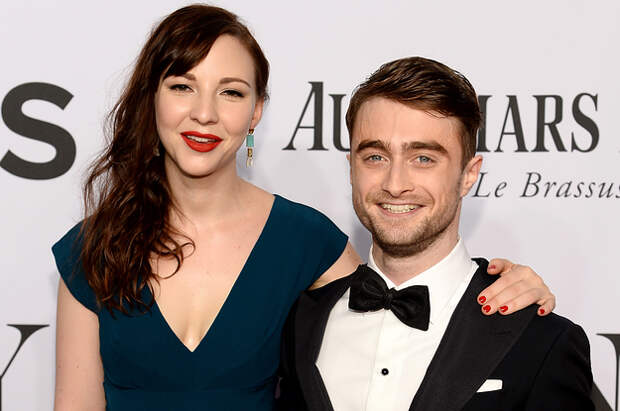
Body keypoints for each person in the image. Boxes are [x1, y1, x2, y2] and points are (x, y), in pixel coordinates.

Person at [52, 5, 556, 411]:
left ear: (256, 112)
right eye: (182, 86)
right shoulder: (92, 247)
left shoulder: (307, 242)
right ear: (152, 98)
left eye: (231, 92)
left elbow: (400, 293)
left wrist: (510, 285)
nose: (204, 113)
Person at [276, 57, 594, 411]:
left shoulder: (542, 341)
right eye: (376, 157)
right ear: (351, 167)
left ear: (469, 175)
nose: (395, 184)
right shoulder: (298, 322)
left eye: (423, 158)